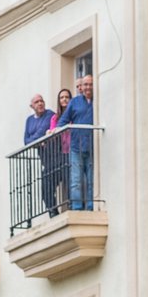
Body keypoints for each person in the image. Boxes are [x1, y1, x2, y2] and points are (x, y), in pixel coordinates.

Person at [56, 74, 94, 210]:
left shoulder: (99, 100)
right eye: (85, 84)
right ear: (81, 87)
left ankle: (90, 206)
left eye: (90, 84)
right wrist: (54, 130)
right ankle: (77, 207)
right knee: (76, 181)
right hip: (76, 147)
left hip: (92, 147)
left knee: (91, 180)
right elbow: (63, 120)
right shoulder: (75, 102)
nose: (88, 87)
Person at [23, 93, 58, 217]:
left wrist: (36, 140)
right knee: (45, 189)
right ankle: (53, 212)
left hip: (56, 156)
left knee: (52, 183)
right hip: (45, 159)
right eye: (37, 102)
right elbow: (26, 141)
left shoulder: (50, 114)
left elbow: (41, 132)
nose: (40, 103)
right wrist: (38, 142)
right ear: (31, 106)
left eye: (41, 101)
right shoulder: (29, 120)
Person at [49, 88, 72, 213]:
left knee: (70, 179)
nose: (64, 99)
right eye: (62, 97)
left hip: (72, 150)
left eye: (66, 97)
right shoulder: (55, 117)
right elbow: (53, 130)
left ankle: (71, 204)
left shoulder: (73, 113)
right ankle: (54, 209)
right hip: (61, 152)